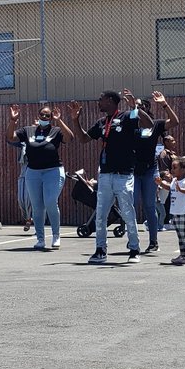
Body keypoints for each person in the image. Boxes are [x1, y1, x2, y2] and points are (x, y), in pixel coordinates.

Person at [73, 89, 151, 264]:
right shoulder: (102, 122)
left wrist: (135, 108)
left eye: (101, 99)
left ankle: (134, 249)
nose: (98, 102)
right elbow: (84, 139)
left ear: (110, 101)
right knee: (101, 215)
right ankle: (100, 250)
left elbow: (149, 124)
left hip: (123, 175)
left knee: (128, 213)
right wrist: (75, 120)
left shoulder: (126, 117)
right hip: (106, 175)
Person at [7, 102, 75, 250]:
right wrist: (13, 120)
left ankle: (56, 236)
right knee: (37, 207)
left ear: (51, 118)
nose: (44, 116)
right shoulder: (28, 130)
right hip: (33, 172)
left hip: (53, 171)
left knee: (50, 201)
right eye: (42, 114)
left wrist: (60, 120)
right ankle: (40, 239)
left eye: (48, 115)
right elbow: (11, 138)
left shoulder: (56, 130)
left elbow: (69, 138)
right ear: (38, 116)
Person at [134, 92, 179, 253]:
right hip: (132, 171)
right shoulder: (130, 124)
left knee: (149, 205)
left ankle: (153, 241)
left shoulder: (156, 124)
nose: (137, 108)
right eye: (135, 105)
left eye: (140, 106)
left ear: (147, 108)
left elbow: (174, 121)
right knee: (130, 205)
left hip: (150, 170)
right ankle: (133, 241)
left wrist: (164, 104)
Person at [159, 156, 185, 265]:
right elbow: (169, 188)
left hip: (184, 212)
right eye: (172, 168)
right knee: (180, 236)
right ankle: (182, 255)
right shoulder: (174, 180)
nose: (172, 170)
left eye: (175, 168)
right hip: (176, 213)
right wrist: (160, 183)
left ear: (183, 170)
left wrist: (181, 189)